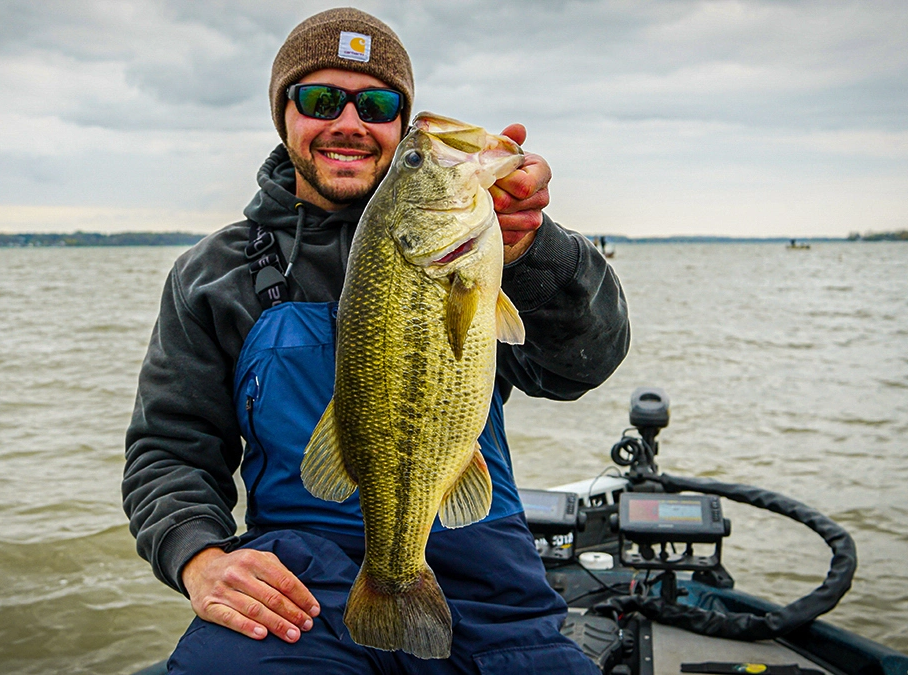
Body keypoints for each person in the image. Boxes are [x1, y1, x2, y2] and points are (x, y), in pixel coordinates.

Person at [123, 8, 630, 674]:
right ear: (284, 114)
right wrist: (199, 556)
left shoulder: (488, 249)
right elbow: (170, 447)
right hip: (299, 589)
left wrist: (537, 250)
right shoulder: (214, 275)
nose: (349, 122)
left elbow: (581, 364)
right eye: (321, 98)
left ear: (397, 121)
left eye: (379, 104)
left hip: (491, 591)